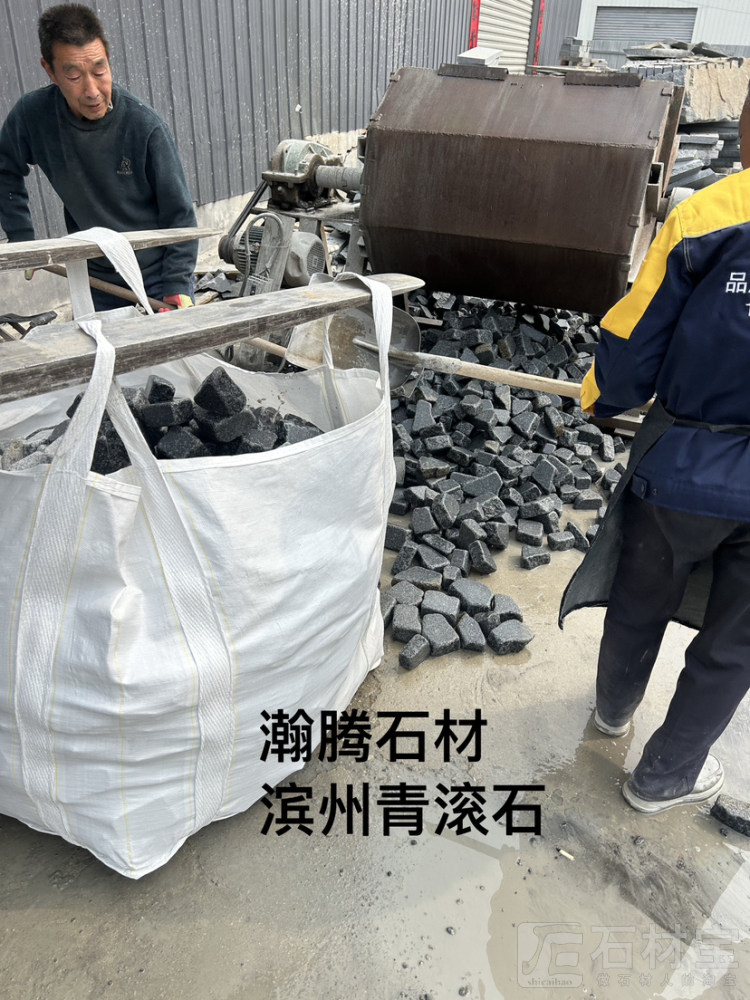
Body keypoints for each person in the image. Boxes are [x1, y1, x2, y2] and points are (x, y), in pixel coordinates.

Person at [560, 83, 750, 814]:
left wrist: (602, 400)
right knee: (736, 645)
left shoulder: (707, 217)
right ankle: (665, 778)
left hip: (683, 471)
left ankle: (613, 712)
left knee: (640, 598)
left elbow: (634, 341)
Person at [0, 3, 197, 310]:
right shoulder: (34, 117)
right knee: (101, 343)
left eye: (99, 70)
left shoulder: (144, 127)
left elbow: (180, 215)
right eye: (74, 75)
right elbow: (5, 168)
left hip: (156, 277)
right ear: (50, 71)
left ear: (108, 59)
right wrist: (23, 238)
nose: (92, 90)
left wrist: (178, 283)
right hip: (95, 278)